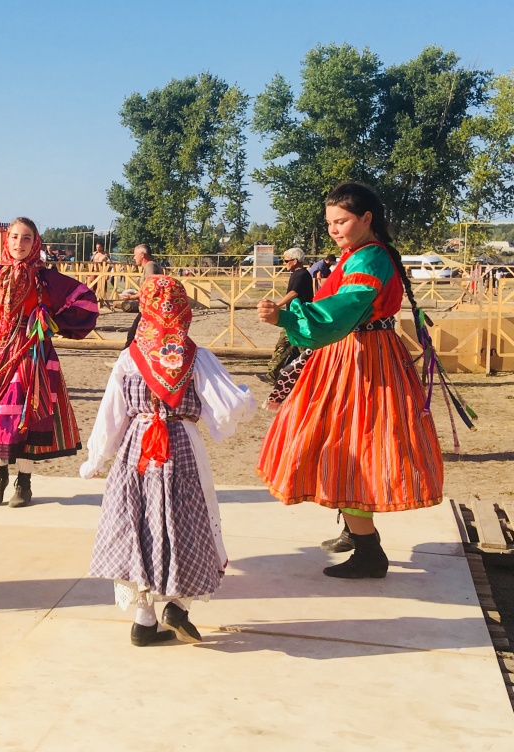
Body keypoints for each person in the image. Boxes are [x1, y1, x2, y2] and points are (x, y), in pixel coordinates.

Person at [256, 182, 445, 579]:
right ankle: (353, 527)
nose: (334, 229)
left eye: (341, 221)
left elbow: (342, 312)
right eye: (329, 223)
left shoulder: (370, 259)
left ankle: (369, 551)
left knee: (354, 445)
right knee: (342, 439)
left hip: (362, 360)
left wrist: (287, 318)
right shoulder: (357, 254)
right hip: (351, 355)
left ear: (366, 219)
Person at [82, 276, 255, 646]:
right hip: (182, 446)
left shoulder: (129, 357)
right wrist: (247, 397)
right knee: (185, 522)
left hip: (137, 450)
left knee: (139, 524)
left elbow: (112, 415)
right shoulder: (197, 357)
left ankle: (145, 622)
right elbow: (228, 408)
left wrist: (97, 459)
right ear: (183, 309)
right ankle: (178, 603)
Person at [0, 217, 99, 507]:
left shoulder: (46, 280)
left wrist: (51, 323)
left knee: (27, 417)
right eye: (15, 237)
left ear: (36, 243)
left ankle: (24, 481)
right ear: (6, 241)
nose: (20, 243)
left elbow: (85, 301)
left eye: (27, 238)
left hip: (32, 356)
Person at [265, 248, 314, 383]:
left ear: (295, 261)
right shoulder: (296, 274)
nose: (284, 263)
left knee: (289, 346)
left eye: (287, 261)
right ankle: (274, 374)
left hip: (298, 317)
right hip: (294, 316)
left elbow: (294, 293)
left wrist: (277, 305)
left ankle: (273, 374)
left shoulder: (302, 274)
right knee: (291, 348)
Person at [122, 244, 164, 346]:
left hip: (149, 310)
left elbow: (151, 287)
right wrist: (136, 294)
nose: (134, 258)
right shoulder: (152, 266)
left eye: (135, 255)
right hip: (151, 309)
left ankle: (123, 361)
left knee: (132, 336)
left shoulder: (150, 266)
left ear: (142, 255)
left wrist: (132, 297)